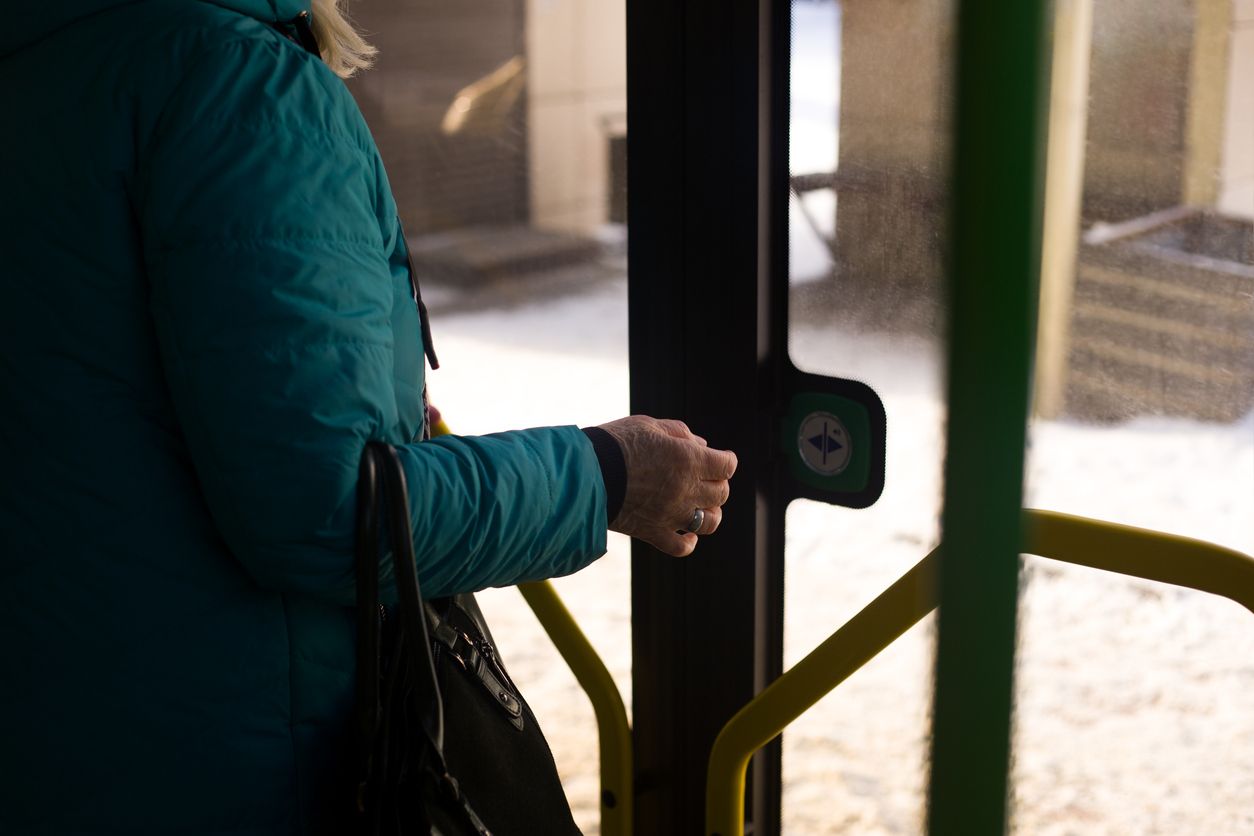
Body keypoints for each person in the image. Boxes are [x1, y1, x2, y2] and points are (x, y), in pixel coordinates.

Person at [0, 2, 736, 834]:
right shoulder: (238, 83)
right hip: (230, 761)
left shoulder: (51, 55)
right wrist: (607, 477)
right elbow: (325, 512)